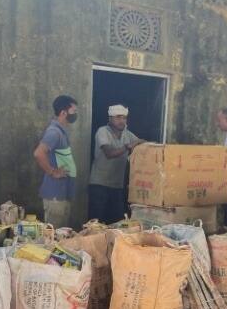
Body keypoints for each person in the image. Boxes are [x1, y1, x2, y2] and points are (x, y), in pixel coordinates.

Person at [88, 104, 144, 224]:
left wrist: (141, 143)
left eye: (124, 118)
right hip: (99, 184)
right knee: (96, 221)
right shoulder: (102, 131)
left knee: (117, 221)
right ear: (110, 118)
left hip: (117, 186)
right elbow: (109, 153)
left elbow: (142, 145)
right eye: (118, 117)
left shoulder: (127, 134)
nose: (122, 121)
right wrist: (128, 146)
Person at [33, 95, 78, 228]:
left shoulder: (61, 132)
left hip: (62, 193)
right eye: (74, 111)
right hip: (55, 195)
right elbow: (38, 153)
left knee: (62, 234)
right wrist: (53, 172)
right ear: (64, 113)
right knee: (54, 236)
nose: (75, 114)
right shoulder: (54, 133)